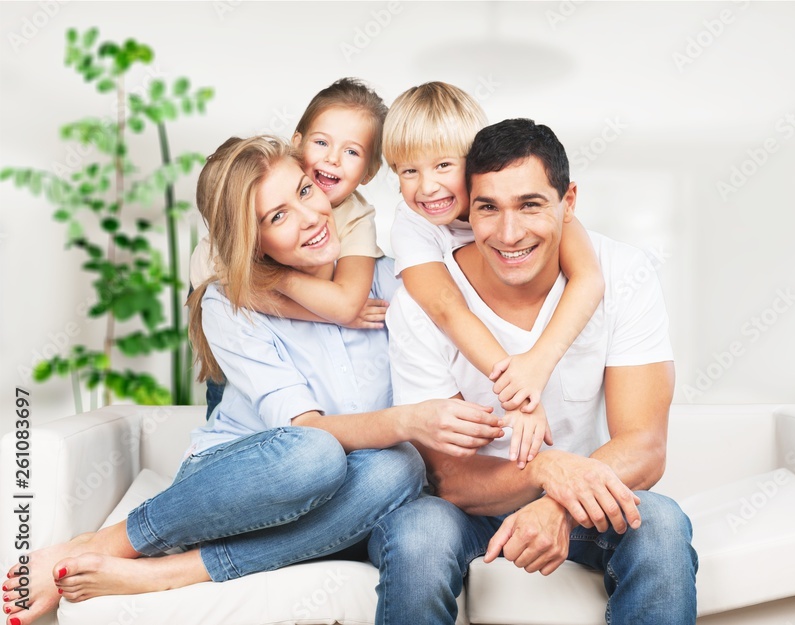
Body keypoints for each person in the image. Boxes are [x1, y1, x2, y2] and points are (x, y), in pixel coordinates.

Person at [1, 136, 504, 625]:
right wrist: (407, 420)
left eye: (305, 191)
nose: (310, 218)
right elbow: (309, 430)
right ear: (252, 239)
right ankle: (97, 546)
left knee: (404, 473)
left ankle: (173, 574)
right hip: (245, 485)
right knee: (316, 452)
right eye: (277, 217)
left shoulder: (396, 280)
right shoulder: (231, 304)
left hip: (360, 496)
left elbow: (495, 247)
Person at [368, 119, 698, 625]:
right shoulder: (421, 303)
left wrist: (560, 504)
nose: (509, 233)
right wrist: (544, 469)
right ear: (465, 209)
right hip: (467, 509)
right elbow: (448, 477)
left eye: (530, 204)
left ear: (568, 202)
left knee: (660, 524)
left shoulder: (623, 273)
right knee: (419, 533)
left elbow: (645, 447)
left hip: (582, 494)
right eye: (488, 208)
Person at [382, 82, 606, 467]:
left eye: (443, 165)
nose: (427, 186)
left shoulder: (526, 197)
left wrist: (537, 364)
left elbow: (589, 279)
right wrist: (519, 393)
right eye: (408, 171)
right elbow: (446, 307)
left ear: (473, 163)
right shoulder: (412, 225)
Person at [190, 78, 391, 418]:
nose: (333, 159)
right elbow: (223, 292)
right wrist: (283, 282)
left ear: (370, 172)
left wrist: (274, 279)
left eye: (352, 151)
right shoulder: (241, 217)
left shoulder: (356, 217)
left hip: (310, 365)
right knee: (232, 403)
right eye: (322, 142)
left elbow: (345, 306)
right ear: (297, 145)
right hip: (242, 356)